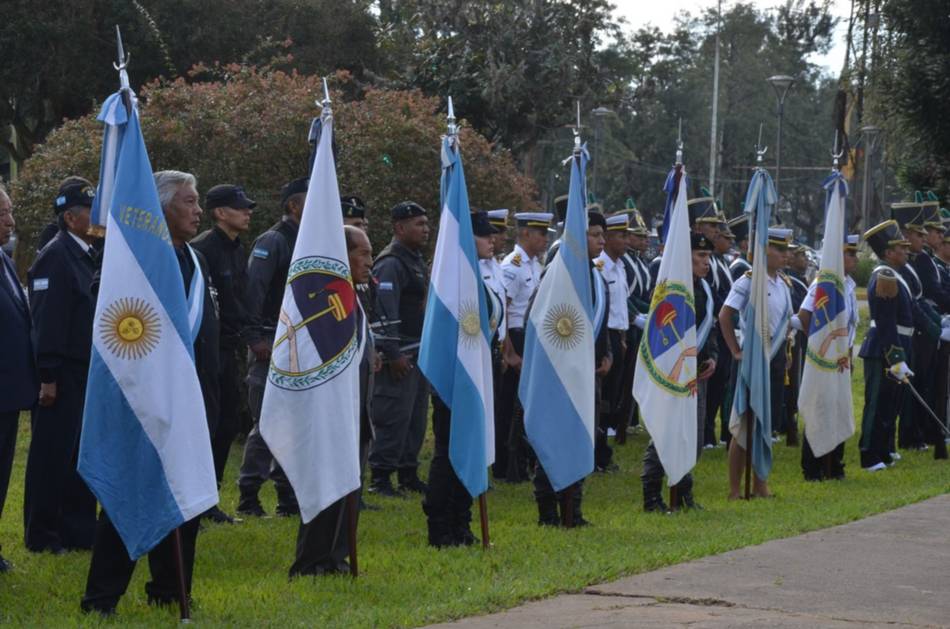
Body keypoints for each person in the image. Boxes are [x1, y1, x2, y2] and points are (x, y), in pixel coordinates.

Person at [81, 170, 220, 615]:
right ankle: (100, 600)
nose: (198, 210)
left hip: (194, 398)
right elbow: (115, 321)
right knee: (131, 492)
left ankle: (171, 590)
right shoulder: (134, 262)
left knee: (186, 496)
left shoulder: (195, 261)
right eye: (189, 201)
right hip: (144, 400)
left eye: (197, 201)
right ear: (161, 207)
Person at [289, 225, 376, 575]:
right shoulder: (325, 300)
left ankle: (335, 558)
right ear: (342, 256)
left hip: (356, 411)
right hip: (330, 412)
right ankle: (312, 563)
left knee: (348, 486)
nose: (370, 261)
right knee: (327, 486)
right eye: (363, 253)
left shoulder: (352, 294)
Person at [24, 180, 99, 553]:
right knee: (52, 456)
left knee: (79, 455)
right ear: (71, 218)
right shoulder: (56, 255)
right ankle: (43, 535)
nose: (98, 215)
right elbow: (48, 322)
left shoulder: (86, 253)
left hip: (85, 371)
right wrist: (48, 375)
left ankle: (79, 530)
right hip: (63, 373)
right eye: (91, 210)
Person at [423, 211, 504, 547]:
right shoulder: (455, 280)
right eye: (485, 235)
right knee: (448, 450)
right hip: (456, 374)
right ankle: (442, 526)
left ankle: (461, 521)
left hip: (478, 371)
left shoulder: (478, 276)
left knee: (468, 446)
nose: (492, 241)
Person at [532, 210, 611, 527]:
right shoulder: (558, 273)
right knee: (554, 437)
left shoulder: (595, 274)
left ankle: (573, 508)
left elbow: (596, 319)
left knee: (581, 435)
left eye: (603, 235)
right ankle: (549, 511)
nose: (601, 240)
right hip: (559, 370)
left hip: (587, 372)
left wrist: (605, 354)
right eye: (594, 234)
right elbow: (545, 320)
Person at [237, 178, 308, 517]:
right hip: (271, 343)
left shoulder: (311, 240)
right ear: (293, 206)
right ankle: (249, 495)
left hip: (301, 346)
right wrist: (255, 338)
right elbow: (254, 291)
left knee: (294, 422)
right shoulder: (274, 241)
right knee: (268, 420)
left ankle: (288, 497)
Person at [190, 184, 257, 524]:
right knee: (207, 420)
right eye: (240, 207)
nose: (247, 212)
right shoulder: (202, 249)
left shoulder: (236, 248)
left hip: (230, 346)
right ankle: (196, 499)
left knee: (227, 420)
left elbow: (239, 298)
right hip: (207, 349)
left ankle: (210, 498)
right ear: (219, 212)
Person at [641, 232, 718, 512]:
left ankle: (684, 489)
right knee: (666, 430)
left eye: (708, 256)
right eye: (700, 256)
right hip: (672, 371)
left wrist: (712, 357)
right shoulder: (671, 290)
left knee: (693, 435)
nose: (706, 262)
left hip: (697, 373)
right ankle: (651, 494)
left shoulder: (705, 289)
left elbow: (710, 328)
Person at [719, 227, 793, 499]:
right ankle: (735, 489)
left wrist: (785, 352)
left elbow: (784, 322)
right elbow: (725, 315)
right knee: (745, 424)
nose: (787, 256)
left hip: (773, 361)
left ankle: (760, 483)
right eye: (781, 250)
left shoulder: (784, 284)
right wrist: (735, 351)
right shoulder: (749, 282)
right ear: (765, 251)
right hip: (752, 361)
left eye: (787, 251)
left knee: (765, 422)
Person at [369, 201, 431, 496]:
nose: (425, 229)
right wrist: (392, 354)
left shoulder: (414, 259)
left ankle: (408, 472)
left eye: (426, 224)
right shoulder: (391, 262)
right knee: (393, 415)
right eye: (418, 224)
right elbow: (384, 312)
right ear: (399, 228)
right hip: (400, 353)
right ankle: (380, 477)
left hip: (418, 352)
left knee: (415, 418)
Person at [797, 234, 861, 480]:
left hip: (844, 358)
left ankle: (835, 465)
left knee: (840, 408)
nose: (855, 258)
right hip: (825, 359)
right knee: (820, 411)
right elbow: (805, 316)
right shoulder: (822, 284)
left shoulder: (849, 284)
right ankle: (812, 468)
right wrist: (819, 350)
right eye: (850, 253)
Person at [856, 220, 917, 471]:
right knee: (877, 405)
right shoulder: (885, 276)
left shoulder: (895, 275)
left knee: (889, 404)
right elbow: (885, 321)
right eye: (900, 248)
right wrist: (895, 356)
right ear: (888, 253)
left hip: (898, 344)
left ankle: (883, 451)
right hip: (884, 348)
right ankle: (869, 455)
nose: (906, 250)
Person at [497, 212, 552, 483]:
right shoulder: (513, 265)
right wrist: (509, 351)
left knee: (525, 405)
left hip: (529, 336)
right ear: (525, 233)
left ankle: (520, 461)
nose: (545, 239)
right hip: (515, 337)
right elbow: (503, 310)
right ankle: (505, 465)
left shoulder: (534, 264)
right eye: (541, 233)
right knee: (509, 406)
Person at [0, 183, 37, 572]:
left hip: (9, 393)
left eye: (9, 212)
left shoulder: (6, 261)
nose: (10, 221)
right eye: (2, 214)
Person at [891, 201, 945, 452]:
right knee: (917, 384)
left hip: (926, 324)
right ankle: (910, 436)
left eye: (925, 234)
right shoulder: (909, 264)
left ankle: (919, 432)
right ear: (905, 234)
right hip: (917, 330)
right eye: (918, 234)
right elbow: (925, 295)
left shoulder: (922, 259)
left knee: (926, 382)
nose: (924, 239)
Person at [594, 213, 631, 472]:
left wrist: (624, 338)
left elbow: (621, 307)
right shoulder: (599, 266)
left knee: (613, 397)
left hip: (618, 337)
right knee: (601, 398)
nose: (627, 241)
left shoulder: (621, 266)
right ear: (607, 239)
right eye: (622, 236)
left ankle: (603, 450)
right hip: (603, 337)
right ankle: (598, 453)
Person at [617, 209, 653, 439]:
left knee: (632, 373)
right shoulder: (625, 262)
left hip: (640, 322)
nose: (644, 240)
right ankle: (616, 422)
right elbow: (624, 296)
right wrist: (638, 315)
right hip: (628, 324)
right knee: (622, 375)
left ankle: (627, 419)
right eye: (638, 236)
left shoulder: (638, 261)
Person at [781, 243, 810, 446]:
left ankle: (788, 423)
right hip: (790, 337)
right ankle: (785, 424)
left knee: (794, 383)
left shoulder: (798, 281)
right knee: (789, 383)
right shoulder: (789, 281)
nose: (804, 259)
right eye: (799, 255)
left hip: (798, 336)